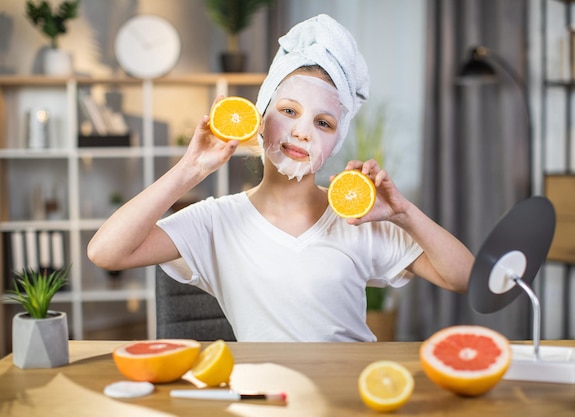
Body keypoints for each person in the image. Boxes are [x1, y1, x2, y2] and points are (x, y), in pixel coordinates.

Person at [88, 14, 474, 342]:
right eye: (289, 110)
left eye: (322, 122)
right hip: (266, 398)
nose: (303, 131)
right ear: (259, 116)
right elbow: (106, 252)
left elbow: (465, 277)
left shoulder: (362, 221)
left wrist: (403, 213)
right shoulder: (215, 221)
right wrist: (191, 168)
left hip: (350, 397)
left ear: (334, 142)